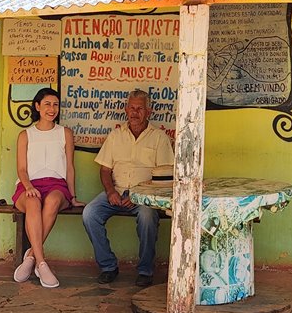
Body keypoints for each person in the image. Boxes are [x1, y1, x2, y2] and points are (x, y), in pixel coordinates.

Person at [82, 88, 174, 287]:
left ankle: (145, 270)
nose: (135, 112)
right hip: (116, 191)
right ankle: (108, 266)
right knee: (90, 213)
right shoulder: (116, 136)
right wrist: (110, 192)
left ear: (148, 112)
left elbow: (165, 177)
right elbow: (105, 171)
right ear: (126, 109)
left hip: (145, 197)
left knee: (148, 217)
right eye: (131, 108)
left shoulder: (159, 138)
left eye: (140, 108)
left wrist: (138, 195)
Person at [10, 87, 81, 288]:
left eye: (56, 104)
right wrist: (28, 186)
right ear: (37, 106)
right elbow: (22, 169)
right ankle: (41, 263)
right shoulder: (25, 135)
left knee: (52, 201)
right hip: (29, 185)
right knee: (33, 201)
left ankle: (31, 255)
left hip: (57, 186)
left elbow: (70, 167)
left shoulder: (65, 133)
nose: (52, 109)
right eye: (47, 104)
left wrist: (73, 197)